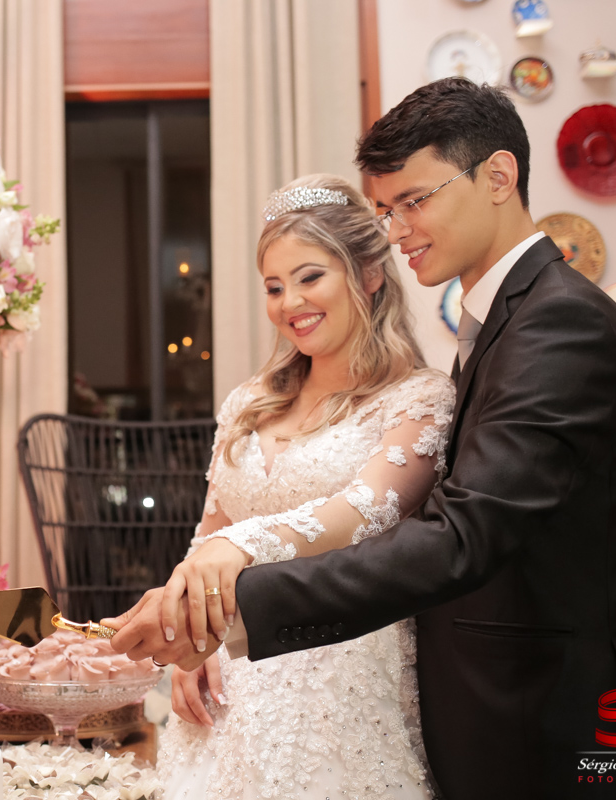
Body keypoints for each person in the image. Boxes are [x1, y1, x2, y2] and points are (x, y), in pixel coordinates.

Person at [107, 78, 616, 799]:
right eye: (385, 209)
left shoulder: (557, 325)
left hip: (561, 723)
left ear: (498, 177)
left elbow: (462, 536)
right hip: (489, 709)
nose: (395, 229)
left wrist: (236, 597)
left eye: (414, 201)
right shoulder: (507, 322)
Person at [149, 172, 454, 799]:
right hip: (228, 682)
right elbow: (207, 533)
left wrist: (240, 548)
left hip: (341, 682)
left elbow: (361, 511)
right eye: (274, 286)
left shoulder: (419, 398)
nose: (290, 302)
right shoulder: (247, 403)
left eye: (310, 276)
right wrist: (191, 640)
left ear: (369, 274)